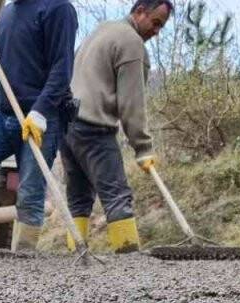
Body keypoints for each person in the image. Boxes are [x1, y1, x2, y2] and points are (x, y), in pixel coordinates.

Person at [0, 0, 78, 251]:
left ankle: (24, 253)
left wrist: (40, 112)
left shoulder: (58, 9)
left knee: (30, 191)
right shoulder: (8, 12)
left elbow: (61, 70)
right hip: (4, 113)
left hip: (43, 117)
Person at [63, 0, 172, 254]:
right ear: (140, 11)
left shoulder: (103, 30)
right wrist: (143, 147)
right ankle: (129, 261)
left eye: (161, 26)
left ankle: (74, 258)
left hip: (67, 126)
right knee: (117, 196)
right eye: (156, 23)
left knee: (78, 197)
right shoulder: (131, 43)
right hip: (93, 128)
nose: (157, 31)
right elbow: (132, 104)